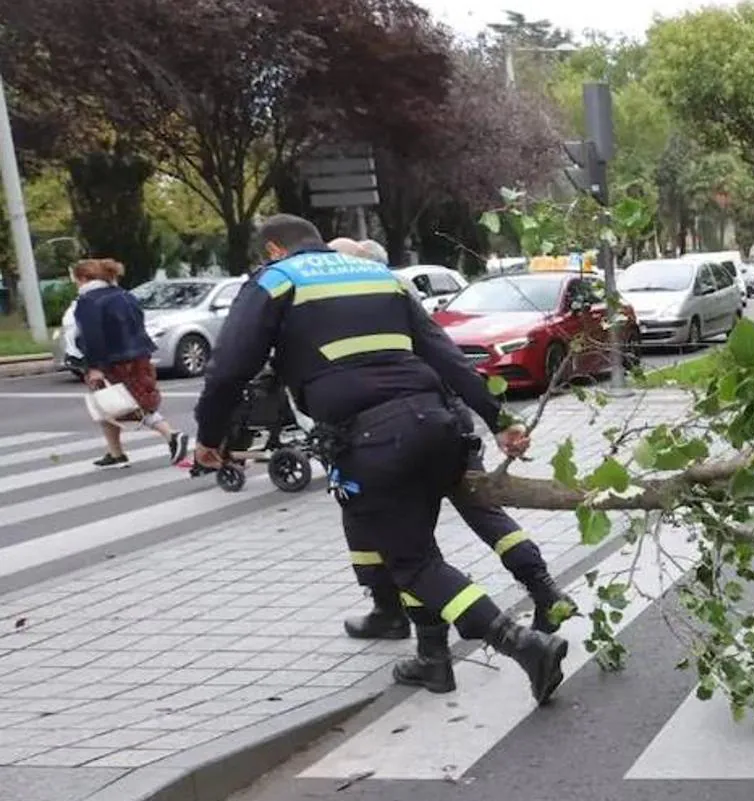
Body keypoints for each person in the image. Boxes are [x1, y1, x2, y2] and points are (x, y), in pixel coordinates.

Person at [195, 215, 569, 704]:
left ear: (272, 249)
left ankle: (522, 645)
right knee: (415, 544)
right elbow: (444, 352)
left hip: (372, 440)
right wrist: (500, 420)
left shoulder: (277, 280)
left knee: (415, 564)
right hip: (437, 424)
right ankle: (433, 660)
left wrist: (210, 436)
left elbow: (227, 369)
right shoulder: (377, 275)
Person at [324, 237, 575, 648]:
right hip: (445, 422)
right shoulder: (398, 293)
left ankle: (401, 622)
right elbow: (449, 359)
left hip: (392, 431)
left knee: (401, 538)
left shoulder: (354, 303)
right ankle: (543, 587)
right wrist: (495, 419)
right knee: (484, 513)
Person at [70, 259, 190, 468]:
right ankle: (115, 453)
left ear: (83, 278)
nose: (75, 284)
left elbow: (92, 336)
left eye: (75, 280)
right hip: (139, 355)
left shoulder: (88, 301)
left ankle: (172, 435)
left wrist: (94, 366)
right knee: (108, 404)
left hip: (111, 360)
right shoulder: (124, 295)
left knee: (127, 405)